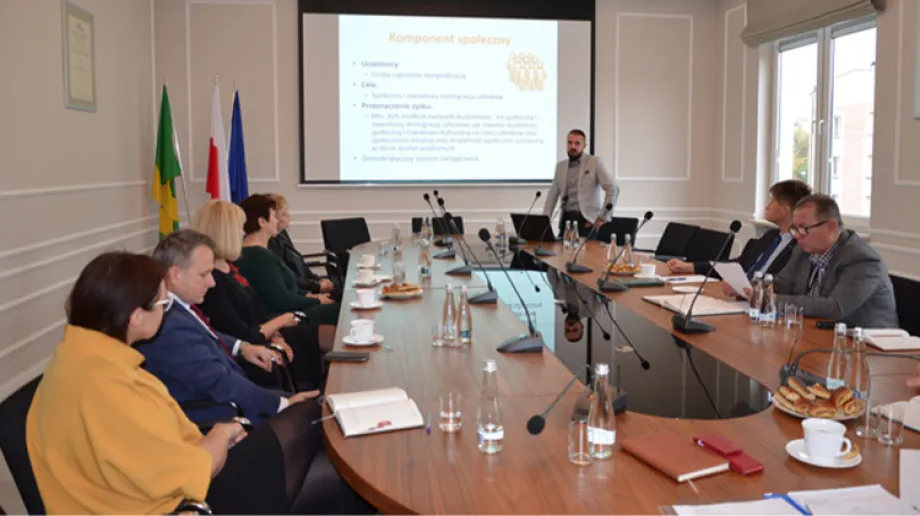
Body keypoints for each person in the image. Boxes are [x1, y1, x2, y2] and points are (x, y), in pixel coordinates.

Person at [26, 252, 365, 514]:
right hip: (180, 501)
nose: (167, 311)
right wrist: (222, 434)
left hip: (169, 476)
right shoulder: (108, 387)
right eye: (163, 304)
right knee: (311, 416)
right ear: (135, 316)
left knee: (329, 462)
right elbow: (183, 475)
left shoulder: (76, 359)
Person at [140, 229, 318, 426]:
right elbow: (220, 382)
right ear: (175, 275)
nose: (212, 282)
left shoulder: (174, 308)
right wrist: (281, 405)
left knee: (316, 408)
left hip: (233, 400)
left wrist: (242, 347)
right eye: (204, 274)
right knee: (314, 416)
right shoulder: (167, 324)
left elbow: (204, 333)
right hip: (222, 417)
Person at [193, 200, 333, 390]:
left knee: (328, 335)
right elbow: (242, 335)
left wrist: (276, 334)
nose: (242, 233)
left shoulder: (229, 268)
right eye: (238, 228)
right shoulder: (213, 283)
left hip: (267, 335)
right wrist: (282, 321)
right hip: (252, 352)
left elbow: (257, 311)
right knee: (316, 337)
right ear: (226, 233)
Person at [669, 179, 812, 296]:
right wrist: (691, 267)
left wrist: (747, 289)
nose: (767, 207)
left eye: (771, 202)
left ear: (784, 210)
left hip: (763, 304)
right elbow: (739, 264)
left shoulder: (800, 247)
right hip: (739, 297)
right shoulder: (771, 235)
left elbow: (783, 285)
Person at [773, 194, 898, 328]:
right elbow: (782, 284)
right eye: (794, 228)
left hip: (863, 338)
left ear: (831, 227)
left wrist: (774, 300)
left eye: (803, 228)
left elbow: (836, 307)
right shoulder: (802, 251)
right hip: (815, 329)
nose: (797, 235)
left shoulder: (862, 260)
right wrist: (759, 289)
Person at [235, 194, 339, 325]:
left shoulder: (254, 252)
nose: (276, 221)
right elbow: (282, 301)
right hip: (282, 318)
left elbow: (284, 291)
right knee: (341, 310)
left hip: (286, 311)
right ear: (262, 222)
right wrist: (317, 300)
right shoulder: (260, 257)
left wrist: (311, 296)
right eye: (274, 216)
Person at [543, 129, 618, 238]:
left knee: (586, 249)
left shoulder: (594, 162)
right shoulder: (561, 166)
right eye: (570, 143)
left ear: (584, 146)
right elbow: (552, 195)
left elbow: (613, 188)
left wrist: (603, 217)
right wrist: (544, 220)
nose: (573, 146)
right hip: (566, 220)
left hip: (586, 221)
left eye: (577, 143)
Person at [266, 193, 340, 300]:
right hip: (301, 293)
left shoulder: (282, 234)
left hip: (307, 287)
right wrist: (317, 286)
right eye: (283, 215)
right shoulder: (271, 245)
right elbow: (289, 279)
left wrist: (318, 280)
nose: (288, 216)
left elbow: (299, 264)